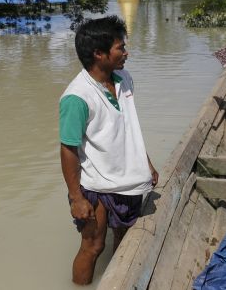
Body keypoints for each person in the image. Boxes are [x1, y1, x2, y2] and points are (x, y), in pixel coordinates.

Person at [59, 16, 159, 285]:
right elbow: (68, 148)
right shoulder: (77, 97)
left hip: (129, 181)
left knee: (125, 242)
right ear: (99, 54)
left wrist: (145, 162)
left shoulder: (124, 78)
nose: (126, 53)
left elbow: (128, 125)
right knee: (93, 247)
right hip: (97, 186)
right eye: (120, 48)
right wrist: (76, 197)